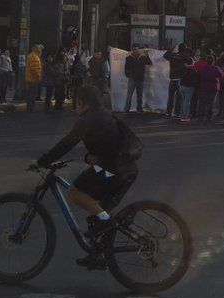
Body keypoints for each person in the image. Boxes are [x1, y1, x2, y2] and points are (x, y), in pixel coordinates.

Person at [31, 85, 141, 268]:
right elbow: (106, 146)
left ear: (82, 103)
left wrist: (42, 162)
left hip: (114, 171)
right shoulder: (104, 113)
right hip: (126, 169)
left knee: (75, 192)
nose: (75, 107)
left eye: (76, 103)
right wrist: (88, 157)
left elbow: (67, 143)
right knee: (96, 212)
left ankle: (108, 223)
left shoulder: (88, 119)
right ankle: (96, 253)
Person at [163, 44, 192, 117]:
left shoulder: (173, 55)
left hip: (173, 78)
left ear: (178, 48)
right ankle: (177, 112)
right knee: (179, 97)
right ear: (185, 49)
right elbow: (190, 62)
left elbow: (165, 55)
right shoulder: (185, 56)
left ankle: (168, 112)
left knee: (171, 96)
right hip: (180, 79)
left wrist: (171, 49)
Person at [196, 53, 224, 122]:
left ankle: (201, 117)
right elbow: (222, 75)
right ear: (213, 61)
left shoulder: (203, 68)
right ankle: (209, 116)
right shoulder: (216, 68)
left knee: (202, 102)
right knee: (210, 103)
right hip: (213, 87)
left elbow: (198, 75)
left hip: (203, 86)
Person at [123, 46, 152, 112]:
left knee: (139, 95)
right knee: (129, 95)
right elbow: (126, 68)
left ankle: (139, 108)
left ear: (139, 50)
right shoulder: (128, 58)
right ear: (132, 50)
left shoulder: (143, 57)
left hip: (140, 79)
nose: (135, 51)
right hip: (132, 79)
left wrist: (147, 55)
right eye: (134, 49)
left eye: (136, 49)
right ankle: (127, 108)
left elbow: (149, 63)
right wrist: (129, 75)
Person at [24, 44, 43, 112]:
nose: (40, 49)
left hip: (31, 78)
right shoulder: (34, 57)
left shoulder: (33, 56)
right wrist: (38, 76)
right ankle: (31, 107)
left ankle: (30, 107)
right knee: (32, 94)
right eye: (38, 48)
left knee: (30, 94)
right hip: (33, 79)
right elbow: (34, 68)